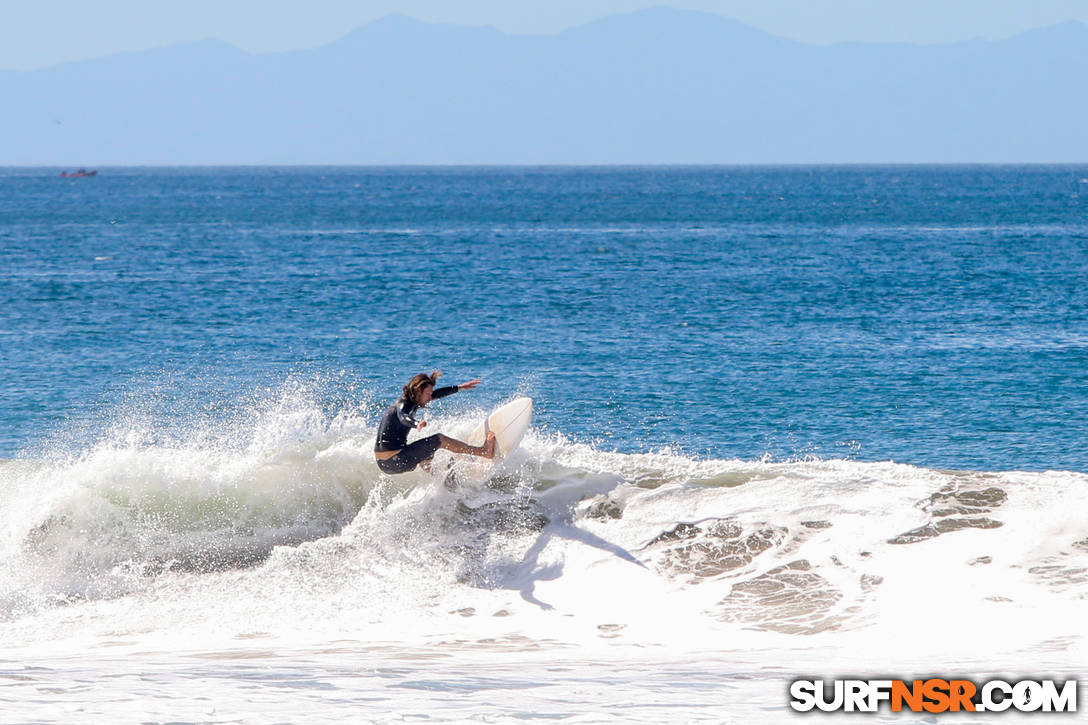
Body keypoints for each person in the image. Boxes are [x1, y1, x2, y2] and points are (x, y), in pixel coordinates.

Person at [374, 370, 496, 474]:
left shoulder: (413, 399)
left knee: (426, 450)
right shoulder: (403, 404)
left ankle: (439, 477)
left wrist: (460, 387)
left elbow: (437, 394)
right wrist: (416, 424)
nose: (430, 398)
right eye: (428, 394)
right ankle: (484, 452)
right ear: (418, 391)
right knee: (440, 439)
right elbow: (403, 417)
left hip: (385, 463)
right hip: (395, 459)